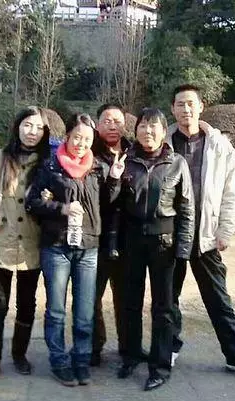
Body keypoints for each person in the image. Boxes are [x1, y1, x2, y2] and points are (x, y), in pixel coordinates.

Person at [167, 84, 235, 378]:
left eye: (191, 103)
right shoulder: (164, 142)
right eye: (180, 104)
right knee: (167, 298)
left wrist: (226, 229)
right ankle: (168, 347)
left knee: (218, 299)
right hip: (171, 235)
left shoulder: (220, 145)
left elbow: (230, 192)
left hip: (206, 236)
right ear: (172, 109)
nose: (186, 109)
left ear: (201, 107)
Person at [25, 113, 123, 387]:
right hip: (57, 246)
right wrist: (62, 208)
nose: (81, 144)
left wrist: (114, 179)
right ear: (67, 137)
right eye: (77, 137)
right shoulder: (51, 166)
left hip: (88, 247)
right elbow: (32, 202)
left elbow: (107, 203)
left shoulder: (97, 168)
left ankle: (81, 359)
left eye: (87, 139)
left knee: (84, 312)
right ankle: (59, 361)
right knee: (56, 310)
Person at [112, 108, 194, 391]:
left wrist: (183, 250)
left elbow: (187, 208)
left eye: (154, 126)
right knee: (130, 303)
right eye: (143, 126)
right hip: (132, 241)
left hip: (165, 244)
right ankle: (130, 355)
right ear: (136, 131)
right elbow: (116, 205)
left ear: (163, 131)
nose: (148, 131)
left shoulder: (177, 162)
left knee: (164, 308)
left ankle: (160, 366)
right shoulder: (127, 160)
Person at [0, 107, 50, 382]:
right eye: (27, 125)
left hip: (32, 241)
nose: (32, 132)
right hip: (1, 239)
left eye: (38, 127)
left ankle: (19, 353)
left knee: (27, 303)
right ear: (17, 126)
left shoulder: (48, 162)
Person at [90, 104, 133, 366]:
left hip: (128, 237)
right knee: (92, 296)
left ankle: (128, 347)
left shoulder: (134, 152)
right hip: (97, 236)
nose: (113, 125)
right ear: (97, 125)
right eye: (107, 120)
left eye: (117, 121)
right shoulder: (89, 154)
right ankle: (94, 347)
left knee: (126, 297)